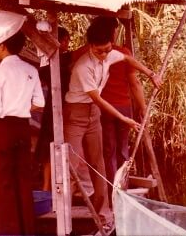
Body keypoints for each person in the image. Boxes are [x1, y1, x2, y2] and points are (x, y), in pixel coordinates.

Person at [63, 21, 162, 229]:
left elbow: (126, 58)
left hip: (93, 114)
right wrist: (124, 118)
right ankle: (65, 215)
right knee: (73, 162)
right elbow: (98, 99)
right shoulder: (83, 66)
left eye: (107, 50)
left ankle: (104, 213)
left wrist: (151, 74)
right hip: (77, 113)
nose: (104, 55)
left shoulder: (110, 54)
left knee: (99, 162)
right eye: (99, 52)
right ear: (90, 46)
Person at [0, 31, 45, 235]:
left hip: (5, 127)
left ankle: (7, 232)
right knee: (23, 179)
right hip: (22, 127)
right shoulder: (30, 70)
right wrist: (21, 106)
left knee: (4, 181)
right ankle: (26, 230)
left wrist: (11, 107)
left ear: (3, 45)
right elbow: (40, 103)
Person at [94, 17, 146, 194]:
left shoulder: (93, 52)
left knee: (109, 150)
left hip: (105, 107)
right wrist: (143, 107)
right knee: (122, 149)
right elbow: (135, 83)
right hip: (121, 106)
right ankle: (121, 189)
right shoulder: (122, 53)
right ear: (112, 33)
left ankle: (112, 189)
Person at [36, 27, 72, 191]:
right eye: (65, 40)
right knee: (48, 147)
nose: (67, 43)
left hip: (61, 106)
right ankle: (47, 186)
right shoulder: (57, 61)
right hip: (56, 107)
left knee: (52, 146)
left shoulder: (64, 60)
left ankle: (50, 186)